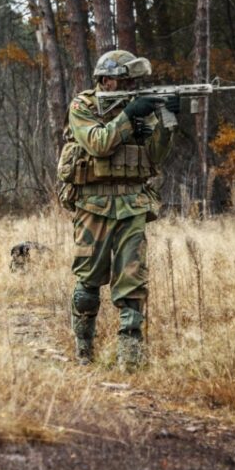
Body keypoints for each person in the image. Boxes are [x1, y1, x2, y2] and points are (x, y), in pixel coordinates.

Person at [59, 50, 176, 369]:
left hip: (133, 204)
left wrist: (168, 121)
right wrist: (128, 117)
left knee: (133, 281)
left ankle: (131, 357)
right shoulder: (83, 106)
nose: (128, 85)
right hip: (93, 205)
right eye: (122, 80)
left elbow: (155, 157)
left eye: (132, 80)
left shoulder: (139, 107)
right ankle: (84, 349)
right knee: (88, 280)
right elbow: (97, 143)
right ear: (105, 78)